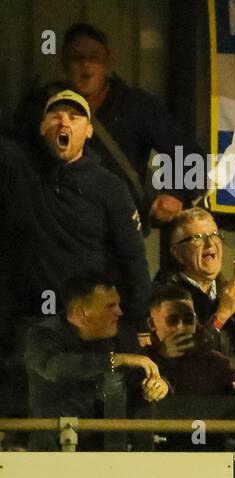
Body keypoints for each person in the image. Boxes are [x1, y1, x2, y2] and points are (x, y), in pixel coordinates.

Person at [11, 24, 207, 228]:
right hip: (56, 232)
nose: (86, 64)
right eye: (77, 57)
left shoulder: (135, 105)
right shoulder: (39, 106)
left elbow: (191, 156)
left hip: (117, 232)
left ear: (106, 61)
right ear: (64, 62)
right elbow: (13, 159)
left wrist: (175, 193)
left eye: (94, 57)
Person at [0, 89, 151, 333]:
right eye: (56, 115)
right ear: (42, 127)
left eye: (74, 117)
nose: (64, 121)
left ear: (89, 130)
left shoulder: (111, 187)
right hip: (28, 325)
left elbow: (133, 259)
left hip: (88, 328)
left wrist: (139, 322)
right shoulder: (22, 172)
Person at [24, 273, 167, 451]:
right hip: (55, 452)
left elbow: (139, 379)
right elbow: (52, 367)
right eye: (110, 306)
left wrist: (158, 385)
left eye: (118, 304)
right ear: (81, 313)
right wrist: (114, 360)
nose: (119, 312)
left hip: (115, 452)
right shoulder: (43, 334)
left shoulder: (122, 336)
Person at [158, 208, 235, 367]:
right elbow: (189, 359)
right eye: (198, 238)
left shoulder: (232, 290)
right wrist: (222, 314)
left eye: (215, 235)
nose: (210, 244)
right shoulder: (166, 296)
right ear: (178, 253)